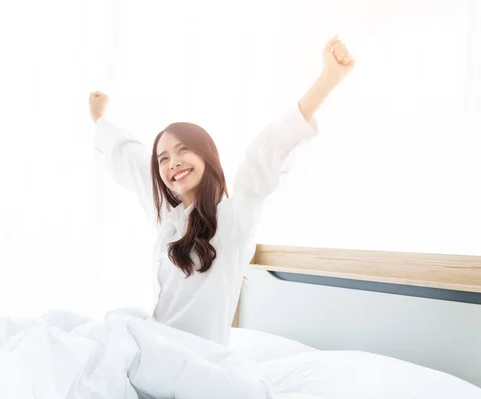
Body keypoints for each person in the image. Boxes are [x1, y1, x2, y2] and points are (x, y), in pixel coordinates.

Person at [88, 35, 354, 345]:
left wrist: (328, 78)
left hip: (200, 362)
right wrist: (99, 117)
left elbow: (270, 149)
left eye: (183, 150)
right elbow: (130, 157)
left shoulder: (233, 218)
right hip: (155, 348)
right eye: (163, 159)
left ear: (206, 155)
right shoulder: (168, 219)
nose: (173, 163)